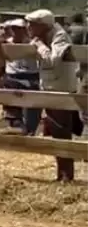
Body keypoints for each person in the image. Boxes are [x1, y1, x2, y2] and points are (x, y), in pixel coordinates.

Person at [6, 9, 77, 181]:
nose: (28, 27)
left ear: (42, 25)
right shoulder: (44, 35)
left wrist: (39, 46)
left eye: (31, 24)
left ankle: (66, 176)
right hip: (50, 88)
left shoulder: (59, 36)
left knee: (61, 133)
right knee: (56, 131)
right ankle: (63, 174)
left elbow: (52, 61)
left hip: (59, 89)